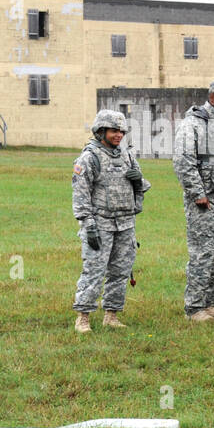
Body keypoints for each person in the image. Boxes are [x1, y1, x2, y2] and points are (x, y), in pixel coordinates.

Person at [71, 110, 150, 332]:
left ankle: (111, 315)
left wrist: (139, 182)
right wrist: (88, 225)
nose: (118, 135)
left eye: (122, 131)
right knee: (94, 271)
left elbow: (140, 189)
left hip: (125, 224)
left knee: (120, 271)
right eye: (114, 131)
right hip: (100, 225)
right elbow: (81, 194)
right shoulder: (90, 157)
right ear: (101, 131)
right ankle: (83, 317)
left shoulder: (127, 156)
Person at [173, 80, 214, 322]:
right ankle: (194, 308)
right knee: (203, 253)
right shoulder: (193, 125)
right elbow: (183, 161)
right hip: (203, 200)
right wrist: (197, 193)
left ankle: (211, 303)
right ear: (212, 98)